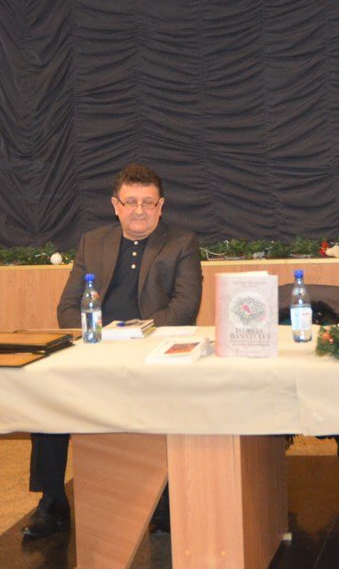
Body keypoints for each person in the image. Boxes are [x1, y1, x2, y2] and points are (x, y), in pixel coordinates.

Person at [23, 163, 202, 539]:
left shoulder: (181, 243)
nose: (139, 210)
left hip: (153, 354)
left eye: (148, 203)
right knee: (47, 395)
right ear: (115, 205)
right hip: (97, 351)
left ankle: (167, 501)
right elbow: (68, 307)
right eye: (131, 202)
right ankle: (52, 500)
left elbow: (184, 307)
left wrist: (137, 335)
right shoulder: (92, 242)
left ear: (161, 206)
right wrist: (96, 338)